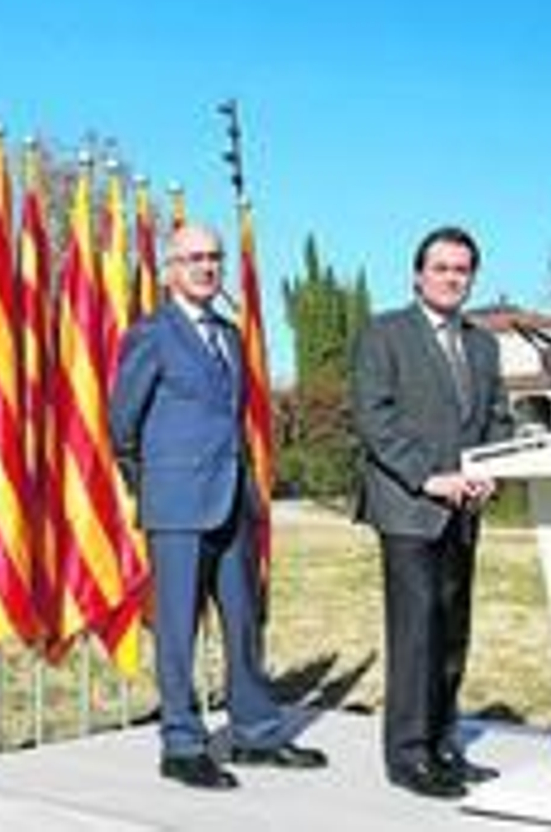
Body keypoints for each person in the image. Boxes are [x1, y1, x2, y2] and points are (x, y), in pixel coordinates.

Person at [110, 223, 326, 790]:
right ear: (169, 269)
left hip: (234, 501)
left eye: (214, 258)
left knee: (244, 622)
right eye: (193, 259)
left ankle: (255, 733)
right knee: (179, 630)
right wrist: (155, 486)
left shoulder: (229, 335)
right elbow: (121, 426)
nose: (206, 268)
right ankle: (181, 744)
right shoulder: (150, 335)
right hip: (177, 507)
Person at [350, 225, 514, 799]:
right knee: (416, 633)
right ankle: (408, 755)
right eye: (441, 268)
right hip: (409, 508)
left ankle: (445, 743)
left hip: (465, 510)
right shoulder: (384, 333)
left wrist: (491, 468)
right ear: (418, 275)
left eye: (462, 269)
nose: (452, 278)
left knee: (452, 634)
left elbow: (498, 416)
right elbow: (375, 419)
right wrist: (430, 477)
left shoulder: (483, 344)